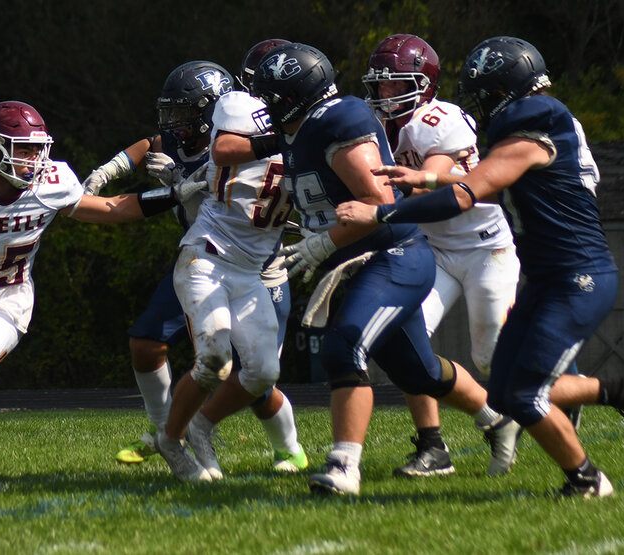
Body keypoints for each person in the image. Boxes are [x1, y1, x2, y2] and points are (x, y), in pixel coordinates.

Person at [336, 36, 624, 497]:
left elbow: (467, 194)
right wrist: (428, 176)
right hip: (549, 277)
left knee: (524, 390)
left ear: (504, 89)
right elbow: (486, 182)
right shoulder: (542, 126)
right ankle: (597, 429)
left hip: (576, 277)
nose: (479, 105)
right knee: (505, 393)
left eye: (483, 93)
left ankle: (588, 478)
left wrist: (381, 213)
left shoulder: (532, 126)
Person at [0, 100, 203, 495]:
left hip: (7, 302)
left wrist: (172, 195)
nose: (34, 160)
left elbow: (111, 208)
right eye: (23, 149)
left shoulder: (51, 183)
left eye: (38, 149)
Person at [251, 42, 519, 496]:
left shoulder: (338, 122)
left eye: (271, 96)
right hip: (365, 258)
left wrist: (322, 242)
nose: (265, 106)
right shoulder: (298, 131)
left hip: (393, 254)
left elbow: (381, 201)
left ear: (296, 95)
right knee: (421, 373)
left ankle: (344, 466)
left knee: (345, 346)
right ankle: (497, 421)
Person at [82, 57, 307, 474]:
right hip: (206, 254)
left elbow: (239, 172)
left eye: (184, 113)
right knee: (194, 355)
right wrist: (108, 172)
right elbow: (152, 144)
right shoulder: (213, 138)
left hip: (263, 268)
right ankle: (169, 432)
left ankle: (288, 447)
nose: (174, 123)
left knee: (256, 377)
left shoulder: (268, 142)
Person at [362, 34, 521, 477]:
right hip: (433, 250)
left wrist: (390, 192)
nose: (385, 94)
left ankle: (558, 388)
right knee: (405, 343)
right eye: (381, 85)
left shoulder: (441, 117)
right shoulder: (377, 127)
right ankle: (433, 447)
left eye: (396, 84)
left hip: (484, 247)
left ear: (425, 83)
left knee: (489, 355)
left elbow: (430, 178)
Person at [156, 65, 298, 482]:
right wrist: (288, 140)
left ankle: (201, 426)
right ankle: (170, 438)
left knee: (263, 372)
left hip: (252, 272)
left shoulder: (323, 131)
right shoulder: (240, 108)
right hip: (207, 255)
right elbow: (223, 150)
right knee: (215, 358)